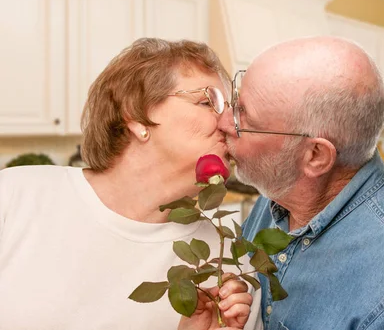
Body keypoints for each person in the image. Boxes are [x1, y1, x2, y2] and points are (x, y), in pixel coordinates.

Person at [218, 36, 384, 329]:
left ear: (315, 156)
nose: (224, 122)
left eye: (243, 115)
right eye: (235, 101)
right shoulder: (275, 198)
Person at [0, 38, 261, 330]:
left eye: (230, 108)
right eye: (207, 101)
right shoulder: (13, 198)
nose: (229, 123)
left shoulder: (229, 270)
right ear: (138, 116)